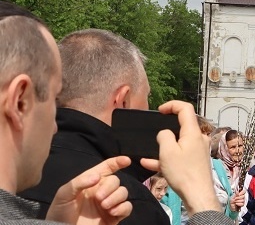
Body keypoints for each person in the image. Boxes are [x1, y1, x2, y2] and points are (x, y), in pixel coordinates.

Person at [19, 28, 171, 225]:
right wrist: (202, 199)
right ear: (123, 100)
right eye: (147, 97)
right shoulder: (124, 202)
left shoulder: (13, 174)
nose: (149, 108)